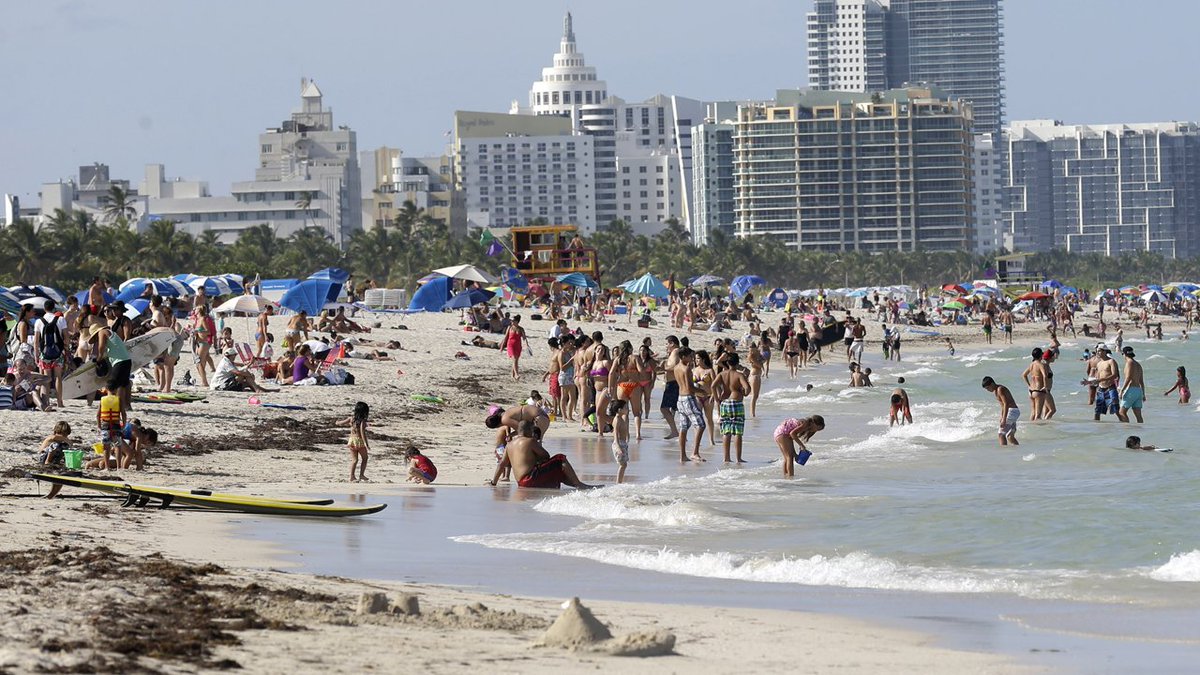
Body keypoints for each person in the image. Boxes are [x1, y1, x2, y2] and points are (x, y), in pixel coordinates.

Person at [489, 421, 594, 490]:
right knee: (560, 459)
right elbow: (546, 456)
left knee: (557, 471)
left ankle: (576, 486)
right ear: (529, 431)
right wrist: (536, 447)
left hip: (521, 483)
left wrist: (494, 482)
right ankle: (579, 484)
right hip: (530, 478)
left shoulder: (509, 445)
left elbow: (501, 464)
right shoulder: (530, 441)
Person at [714, 353, 750, 463]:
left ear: (727, 363)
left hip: (725, 403)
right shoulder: (739, 375)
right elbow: (747, 388)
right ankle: (738, 458)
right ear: (737, 363)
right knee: (738, 432)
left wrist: (717, 399)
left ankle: (726, 458)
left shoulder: (722, 374)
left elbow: (712, 386)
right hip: (736, 403)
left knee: (726, 431)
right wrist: (743, 393)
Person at [674, 347, 707, 463]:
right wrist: (703, 392)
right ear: (683, 357)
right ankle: (695, 452)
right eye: (689, 356)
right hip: (688, 398)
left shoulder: (676, 368)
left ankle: (682, 455)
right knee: (701, 425)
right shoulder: (686, 369)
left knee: (683, 427)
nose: (692, 358)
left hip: (680, 398)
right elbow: (689, 387)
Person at [33, 300, 66, 410]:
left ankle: (46, 401)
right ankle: (60, 402)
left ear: (44, 308)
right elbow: (66, 337)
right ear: (54, 308)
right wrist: (66, 350)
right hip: (58, 353)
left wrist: (36, 354)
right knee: (58, 377)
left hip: (45, 354)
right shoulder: (60, 319)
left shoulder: (39, 321)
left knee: (46, 378)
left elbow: (36, 341)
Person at [336, 401, 371, 482]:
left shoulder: (351, 418)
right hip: (359, 441)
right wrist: (366, 444)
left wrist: (337, 422)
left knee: (354, 460)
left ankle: (352, 476)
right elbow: (362, 433)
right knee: (365, 458)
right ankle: (361, 475)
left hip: (351, 441)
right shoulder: (362, 421)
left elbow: (341, 423)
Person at [981, 376, 1019, 446]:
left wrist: (1004, 419)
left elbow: (1006, 403)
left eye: (988, 388)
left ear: (992, 384)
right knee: (1010, 436)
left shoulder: (1000, 389)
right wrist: (1002, 416)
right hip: (1014, 411)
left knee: (1001, 434)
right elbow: (1003, 405)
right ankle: (1018, 451)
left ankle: (1003, 454)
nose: (988, 390)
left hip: (1012, 411)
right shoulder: (996, 390)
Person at [97, 386, 125, 470]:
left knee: (106, 447)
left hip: (105, 426)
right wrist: (124, 424)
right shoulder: (118, 399)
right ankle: (119, 466)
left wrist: (99, 426)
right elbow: (123, 413)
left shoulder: (102, 399)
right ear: (116, 389)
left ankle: (107, 467)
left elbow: (98, 415)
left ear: (106, 389)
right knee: (118, 446)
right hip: (116, 425)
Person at [659, 335, 681, 440]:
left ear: (672, 343)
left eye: (667, 344)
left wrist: (665, 367)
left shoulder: (676, 351)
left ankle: (675, 431)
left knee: (664, 409)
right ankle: (676, 431)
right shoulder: (673, 353)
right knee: (674, 408)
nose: (666, 346)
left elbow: (675, 367)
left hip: (673, 384)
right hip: (671, 383)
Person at [1092, 346, 1120, 421]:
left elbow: (1115, 375)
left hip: (1110, 388)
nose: (1098, 352)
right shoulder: (1099, 363)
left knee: (1116, 410)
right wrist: (1092, 382)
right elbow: (1098, 377)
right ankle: (1096, 428)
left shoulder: (1111, 361)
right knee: (1097, 411)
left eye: (1099, 351)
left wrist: (1101, 379)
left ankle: (1125, 427)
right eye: (1097, 351)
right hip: (1101, 389)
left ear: (1105, 351)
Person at [191, 305, 217, 388]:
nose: (194, 310)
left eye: (196, 309)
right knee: (200, 363)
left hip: (204, 343)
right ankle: (204, 381)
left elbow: (208, 331)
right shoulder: (198, 320)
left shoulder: (202, 319)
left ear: (199, 311)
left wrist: (198, 330)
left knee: (199, 363)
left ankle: (205, 382)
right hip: (199, 343)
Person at [1118, 347, 1145, 424]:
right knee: (1138, 415)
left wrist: (1122, 390)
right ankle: (1140, 431)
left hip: (1131, 390)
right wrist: (1143, 394)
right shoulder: (1138, 364)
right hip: (1138, 390)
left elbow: (1128, 378)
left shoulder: (1129, 363)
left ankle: (1127, 430)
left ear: (1124, 354)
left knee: (1122, 412)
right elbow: (1141, 381)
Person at [1022, 348, 1049, 421]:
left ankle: (1031, 428)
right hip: (1039, 390)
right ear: (1041, 355)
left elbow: (1024, 375)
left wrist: (1029, 385)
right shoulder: (1040, 365)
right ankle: (1037, 430)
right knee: (1038, 415)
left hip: (1031, 390)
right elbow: (1045, 376)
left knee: (1033, 413)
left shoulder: (1031, 364)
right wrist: (1045, 387)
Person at [607, 398, 630, 483]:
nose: (627, 409)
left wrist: (627, 434)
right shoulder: (617, 419)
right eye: (625, 408)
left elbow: (624, 428)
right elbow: (615, 433)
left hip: (623, 443)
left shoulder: (621, 418)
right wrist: (618, 446)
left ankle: (620, 481)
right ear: (620, 410)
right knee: (622, 464)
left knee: (624, 464)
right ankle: (618, 482)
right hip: (619, 443)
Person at [503, 315, 531, 380]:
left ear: (517, 321)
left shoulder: (521, 329)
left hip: (518, 346)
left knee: (515, 361)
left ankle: (512, 375)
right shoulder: (509, 327)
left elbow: (524, 338)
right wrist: (502, 346)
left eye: (513, 320)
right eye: (511, 320)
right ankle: (516, 374)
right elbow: (506, 337)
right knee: (514, 359)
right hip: (510, 345)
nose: (511, 321)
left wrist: (527, 344)